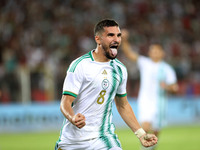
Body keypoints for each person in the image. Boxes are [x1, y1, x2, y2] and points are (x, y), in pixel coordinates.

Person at [55, 19, 158, 150]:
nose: (116, 39)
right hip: (73, 141)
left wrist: (141, 134)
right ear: (98, 39)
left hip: (103, 138)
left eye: (118, 35)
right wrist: (73, 117)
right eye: (111, 35)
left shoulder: (120, 69)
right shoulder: (80, 65)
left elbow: (123, 105)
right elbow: (65, 102)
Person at [121, 29, 178, 149]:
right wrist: (124, 40)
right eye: (152, 51)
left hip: (159, 103)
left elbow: (175, 87)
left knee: (156, 131)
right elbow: (129, 53)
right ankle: (146, 147)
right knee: (145, 127)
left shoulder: (167, 69)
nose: (154, 53)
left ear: (162, 53)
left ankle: (151, 147)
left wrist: (167, 87)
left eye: (157, 51)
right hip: (145, 101)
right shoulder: (144, 63)